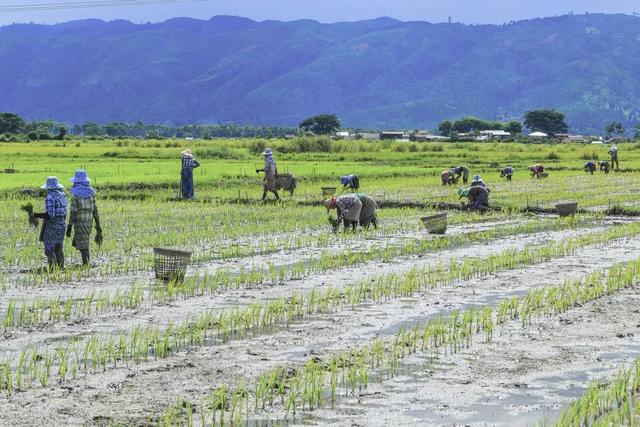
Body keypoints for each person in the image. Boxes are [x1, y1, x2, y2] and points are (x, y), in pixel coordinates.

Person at [66, 170, 102, 266]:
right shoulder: (91, 192)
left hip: (79, 220)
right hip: (89, 220)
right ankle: (86, 262)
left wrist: (69, 226)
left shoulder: (75, 194)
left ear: (76, 181)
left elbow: (73, 211)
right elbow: (95, 209)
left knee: (83, 245)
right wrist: (98, 225)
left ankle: (86, 264)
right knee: (83, 240)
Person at [31, 177, 67, 270]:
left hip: (52, 226)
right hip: (61, 225)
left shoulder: (49, 198)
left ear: (48, 188)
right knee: (58, 249)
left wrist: (35, 215)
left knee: (49, 250)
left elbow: (50, 215)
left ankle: (53, 270)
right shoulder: (62, 196)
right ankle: (61, 269)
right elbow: (65, 213)